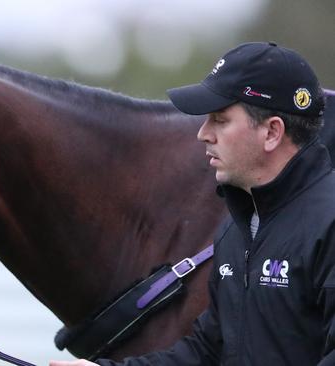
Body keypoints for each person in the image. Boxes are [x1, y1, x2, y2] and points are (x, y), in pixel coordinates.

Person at [50, 42, 335, 365]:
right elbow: (207, 352)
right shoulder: (236, 229)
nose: (203, 134)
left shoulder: (328, 223)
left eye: (219, 119)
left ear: (271, 132)